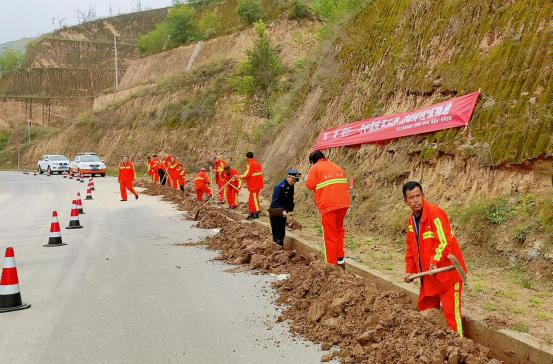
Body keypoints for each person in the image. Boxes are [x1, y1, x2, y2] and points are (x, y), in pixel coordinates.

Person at [402, 181, 468, 336]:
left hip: (447, 275)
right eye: (411, 197)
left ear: (423, 196)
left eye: (418, 196)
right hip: (429, 276)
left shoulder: (435, 213)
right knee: (425, 310)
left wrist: (433, 262)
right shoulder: (412, 221)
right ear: (406, 201)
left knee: (452, 316)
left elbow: (444, 241)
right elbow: (411, 248)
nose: (416, 200)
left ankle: (458, 348)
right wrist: (409, 271)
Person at [306, 150, 350, 269]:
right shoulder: (336, 166)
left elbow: (310, 185)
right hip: (344, 203)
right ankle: (340, 261)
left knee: (330, 235)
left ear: (312, 161)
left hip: (329, 206)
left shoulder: (315, 168)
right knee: (339, 230)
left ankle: (331, 265)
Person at [269, 169, 301, 246]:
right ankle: (277, 246)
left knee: (282, 229)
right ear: (289, 177)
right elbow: (275, 201)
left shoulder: (290, 186)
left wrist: (290, 212)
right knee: (277, 229)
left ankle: (280, 245)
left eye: (295, 181)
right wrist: (282, 210)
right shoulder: (280, 186)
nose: (293, 183)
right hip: (275, 210)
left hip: (283, 211)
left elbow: (290, 200)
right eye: (293, 180)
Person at [240, 152, 264, 220]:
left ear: (247, 157)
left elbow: (247, 174)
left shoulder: (251, 164)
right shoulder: (257, 163)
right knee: (253, 198)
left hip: (254, 184)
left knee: (254, 198)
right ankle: (253, 212)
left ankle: (256, 212)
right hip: (258, 183)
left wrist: (239, 176)